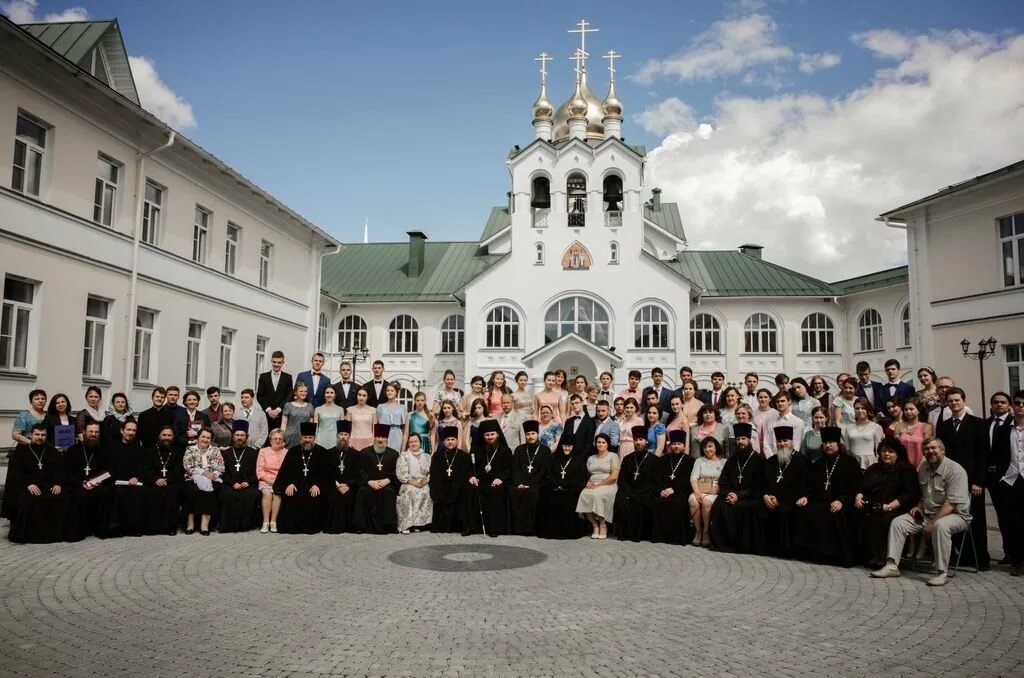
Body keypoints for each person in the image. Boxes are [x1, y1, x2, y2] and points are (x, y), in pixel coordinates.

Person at [871, 438, 972, 586]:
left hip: (956, 515)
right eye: (926, 449)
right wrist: (919, 505)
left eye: (933, 448)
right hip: (928, 513)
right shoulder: (924, 467)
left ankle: (941, 573)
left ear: (942, 450)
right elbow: (924, 494)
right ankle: (892, 565)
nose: (930, 452)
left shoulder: (955, 470)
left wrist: (931, 523)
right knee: (898, 522)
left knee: (940, 526)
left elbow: (950, 505)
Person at [936, 387, 989, 570]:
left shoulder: (978, 424)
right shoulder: (943, 425)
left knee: (976, 520)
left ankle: (981, 559)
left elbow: (983, 455)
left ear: (964, 401)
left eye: (957, 400)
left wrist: (979, 481)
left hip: (973, 481)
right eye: (951, 401)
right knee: (953, 517)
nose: (954, 403)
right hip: (951, 480)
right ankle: (960, 556)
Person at [792, 426, 861, 566]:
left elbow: (856, 488)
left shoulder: (850, 463)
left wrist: (842, 500)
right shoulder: (818, 464)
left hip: (842, 502)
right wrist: (806, 497)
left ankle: (835, 556)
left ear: (838, 444)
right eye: (825, 443)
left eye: (831, 443)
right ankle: (814, 554)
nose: (828, 445)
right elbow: (810, 486)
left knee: (833, 513)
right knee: (805, 509)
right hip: (820, 501)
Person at [856, 437, 921, 568]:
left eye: (891, 452)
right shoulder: (874, 468)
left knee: (884, 519)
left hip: (897, 507)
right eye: (884, 451)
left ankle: (884, 556)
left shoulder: (907, 469)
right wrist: (858, 496)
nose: (886, 454)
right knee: (858, 514)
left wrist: (889, 507)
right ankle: (866, 554)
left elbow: (908, 494)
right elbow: (862, 486)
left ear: (898, 453)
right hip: (874, 505)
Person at [6, 422, 68, 543]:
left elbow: (60, 470)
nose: (40, 437)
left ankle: (55, 535)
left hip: (49, 486)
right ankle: (31, 535)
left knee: (62, 498)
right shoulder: (21, 451)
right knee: (28, 500)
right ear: (31, 435)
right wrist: (28, 484)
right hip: (28, 487)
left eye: (43, 435)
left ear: (46, 436)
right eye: (37, 434)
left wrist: (58, 483)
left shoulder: (52, 451)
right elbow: (16, 473)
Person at [709, 423, 766, 553]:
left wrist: (739, 495)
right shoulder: (732, 459)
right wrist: (729, 493)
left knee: (744, 507)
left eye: (743, 439)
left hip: (750, 496)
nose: (740, 442)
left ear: (749, 440)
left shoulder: (759, 460)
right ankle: (723, 544)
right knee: (719, 505)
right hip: (732, 494)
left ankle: (743, 546)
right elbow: (724, 481)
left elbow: (759, 486)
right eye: (738, 439)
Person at [990, 391, 1024, 574]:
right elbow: (997, 456)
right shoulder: (1003, 431)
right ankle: (1017, 561)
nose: (1021, 407)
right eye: (1018, 403)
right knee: (1013, 522)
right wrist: (1001, 477)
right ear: (1013, 405)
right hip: (1010, 480)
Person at [760, 426, 808, 557]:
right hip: (769, 500)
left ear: (792, 442)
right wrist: (765, 495)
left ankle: (785, 550)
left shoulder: (801, 461)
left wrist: (780, 499)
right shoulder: (770, 462)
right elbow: (763, 483)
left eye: (785, 440)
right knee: (757, 508)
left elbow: (801, 488)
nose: (782, 444)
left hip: (790, 501)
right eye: (779, 441)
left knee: (783, 511)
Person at [274, 422, 328, 534]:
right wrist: (290, 483)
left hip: (314, 486)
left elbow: (326, 472)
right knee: (291, 495)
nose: (307, 440)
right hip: (296, 484)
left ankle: (312, 527)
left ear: (314, 438)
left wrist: (318, 484)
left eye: (310, 437)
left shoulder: (322, 452)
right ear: (301, 437)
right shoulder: (293, 451)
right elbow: (285, 471)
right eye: (305, 437)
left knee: (314, 496)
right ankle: (293, 528)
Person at [462, 419, 512, 536]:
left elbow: (510, 468)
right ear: (482, 436)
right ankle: (470, 527)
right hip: (479, 480)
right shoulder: (476, 449)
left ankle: (494, 528)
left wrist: (501, 478)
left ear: (498, 434)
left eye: (492, 434)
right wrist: (471, 476)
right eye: (487, 435)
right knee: (469, 489)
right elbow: (469, 466)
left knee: (497, 491)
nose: (490, 437)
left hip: (496, 481)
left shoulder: (505, 450)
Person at [64, 421, 112, 541]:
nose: (93, 434)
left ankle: (100, 530)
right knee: (78, 494)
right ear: (84, 432)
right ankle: (79, 531)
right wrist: (82, 483)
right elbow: (68, 472)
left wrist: (97, 481)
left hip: (97, 484)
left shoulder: (104, 450)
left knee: (104, 492)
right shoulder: (73, 450)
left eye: (96, 432)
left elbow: (109, 471)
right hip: (78, 485)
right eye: (91, 431)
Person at [536, 433, 588, 539]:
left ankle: (568, 531)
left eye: (569, 446)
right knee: (548, 494)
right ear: (561, 445)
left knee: (569, 497)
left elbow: (581, 478)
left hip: (571, 490)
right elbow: (548, 475)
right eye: (564, 445)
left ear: (573, 446)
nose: (567, 448)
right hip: (554, 488)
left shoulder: (578, 460)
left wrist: (566, 485)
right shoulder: (553, 458)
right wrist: (557, 485)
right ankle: (550, 530)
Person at [353, 423, 400, 534]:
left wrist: (387, 480)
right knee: (362, 492)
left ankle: (388, 526)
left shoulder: (394, 454)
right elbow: (360, 470)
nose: (380, 440)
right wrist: (369, 482)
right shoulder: (364, 453)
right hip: (369, 484)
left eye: (383, 437)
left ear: (387, 439)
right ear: (374, 438)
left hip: (387, 484)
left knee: (389, 492)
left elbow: (397, 471)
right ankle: (361, 526)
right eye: (378, 437)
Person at [650, 430, 695, 545]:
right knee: (656, 502)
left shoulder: (690, 461)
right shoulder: (663, 459)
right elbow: (657, 478)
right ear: (670, 445)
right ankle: (659, 536)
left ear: (684, 446)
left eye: (679, 444)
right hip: (664, 491)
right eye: (674, 444)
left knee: (678, 503)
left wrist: (673, 489)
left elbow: (688, 480)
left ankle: (676, 538)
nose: (676, 446)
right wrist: (662, 489)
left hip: (681, 491)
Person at [614, 426, 658, 542]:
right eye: (636, 440)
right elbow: (621, 479)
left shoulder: (654, 460)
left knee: (639, 501)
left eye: (641, 440)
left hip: (645, 491)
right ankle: (624, 534)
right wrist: (628, 491)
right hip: (628, 490)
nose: (638, 442)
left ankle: (638, 535)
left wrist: (638, 492)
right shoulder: (627, 459)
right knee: (621, 500)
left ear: (646, 441)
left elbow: (654, 481)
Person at [106, 420, 149, 537]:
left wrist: (137, 477)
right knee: (117, 492)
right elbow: (109, 468)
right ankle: (117, 527)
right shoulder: (112, 448)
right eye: (128, 430)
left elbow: (144, 468)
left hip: (135, 482)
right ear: (122, 430)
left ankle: (135, 528)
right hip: (117, 482)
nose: (131, 432)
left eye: (134, 430)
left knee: (138, 492)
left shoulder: (139, 449)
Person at [509, 420, 551, 535]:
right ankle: (517, 529)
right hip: (520, 483)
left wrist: (531, 483)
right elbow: (515, 469)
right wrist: (519, 483)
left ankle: (531, 529)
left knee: (532, 493)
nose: (530, 436)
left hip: (537, 484)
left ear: (537, 434)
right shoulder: (519, 450)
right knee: (514, 492)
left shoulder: (545, 450)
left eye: (533, 433)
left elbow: (544, 471)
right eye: (528, 434)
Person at [218, 421, 261, 533]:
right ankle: (228, 526)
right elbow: (222, 472)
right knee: (227, 495)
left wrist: (249, 482)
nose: (239, 438)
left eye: (242, 435)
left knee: (250, 495)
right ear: (233, 437)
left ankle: (245, 526)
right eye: (237, 435)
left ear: (246, 437)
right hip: (229, 483)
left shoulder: (254, 453)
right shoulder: (225, 453)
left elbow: (258, 471)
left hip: (248, 483)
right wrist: (233, 483)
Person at [576, 433, 619, 539]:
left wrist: (599, 485)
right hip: (593, 483)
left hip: (608, 484)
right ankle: (595, 525)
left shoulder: (613, 456)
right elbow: (588, 474)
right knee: (584, 495)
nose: (600, 444)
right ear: (595, 444)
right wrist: (587, 483)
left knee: (597, 495)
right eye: (598, 442)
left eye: (603, 442)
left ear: (608, 444)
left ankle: (603, 525)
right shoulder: (591, 458)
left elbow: (614, 476)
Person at [182, 428, 224, 536]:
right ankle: (190, 523)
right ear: (198, 437)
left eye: (208, 438)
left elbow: (221, 467)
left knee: (209, 491)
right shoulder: (190, 449)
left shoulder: (215, 450)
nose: (205, 439)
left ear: (211, 439)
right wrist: (203, 473)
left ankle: (204, 524)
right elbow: (187, 465)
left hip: (212, 478)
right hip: (193, 477)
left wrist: (213, 475)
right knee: (191, 491)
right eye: (203, 436)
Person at [429, 426, 470, 533]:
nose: (450, 442)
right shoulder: (437, 456)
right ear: (443, 441)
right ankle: (441, 526)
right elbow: (434, 475)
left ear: (457, 441)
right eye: (448, 440)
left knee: (458, 491)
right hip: (442, 486)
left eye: (452, 439)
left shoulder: (464, 456)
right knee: (441, 492)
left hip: (458, 487)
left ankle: (457, 526)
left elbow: (465, 474)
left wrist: (455, 484)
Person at [145, 425, 185, 536]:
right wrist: (155, 479)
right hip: (155, 481)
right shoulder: (151, 450)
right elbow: (147, 469)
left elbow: (179, 470)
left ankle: (170, 526)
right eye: (164, 435)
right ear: (159, 436)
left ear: (173, 437)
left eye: (169, 435)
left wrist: (167, 479)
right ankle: (153, 526)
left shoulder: (179, 451)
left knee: (172, 493)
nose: (166, 437)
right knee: (152, 492)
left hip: (173, 481)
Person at [324, 420, 363, 534]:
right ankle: (334, 527)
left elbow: (359, 475)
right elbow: (326, 474)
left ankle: (350, 526)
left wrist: (348, 485)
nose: (343, 437)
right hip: (333, 486)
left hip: (349, 486)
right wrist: (337, 485)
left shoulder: (356, 454)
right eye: (341, 434)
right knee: (334, 496)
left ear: (349, 437)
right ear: (337, 436)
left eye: (345, 435)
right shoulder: (329, 453)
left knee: (349, 495)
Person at [689, 437, 726, 547]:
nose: (707, 449)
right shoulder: (699, 461)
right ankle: (698, 531)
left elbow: (725, 480)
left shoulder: (723, 462)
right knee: (693, 501)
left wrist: (719, 489)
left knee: (706, 502)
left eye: (710, 446)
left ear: (716, 447)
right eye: (705, 447)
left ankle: (706, 531)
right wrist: (697, 492)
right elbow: (693, 478)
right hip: (699, 490)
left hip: (714, 492)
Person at [395, 433, 432, 533]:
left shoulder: (427, 456)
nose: (413, 443)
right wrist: (413, 482)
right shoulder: (404, 456)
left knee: (426, 490)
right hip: (408, 482)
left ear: (420, 442)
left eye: (415, 441)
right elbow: (401, 473)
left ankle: (417, 523)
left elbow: (430, 472)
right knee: (409, 491)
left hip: (423, 483)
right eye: (411, 442)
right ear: (408, 444)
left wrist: (425, 481)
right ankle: (406, 525)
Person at [256, 429, 288, 533]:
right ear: (270, 440)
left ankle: (273, 522)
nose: (277, 441)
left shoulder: (286, 452)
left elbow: (288, 470)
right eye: (275, 438)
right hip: (266, 479)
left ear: (283, 441)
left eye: (280, 439)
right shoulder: (263, 451)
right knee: (267, 494)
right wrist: (270, 481)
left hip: (281, 481)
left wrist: (278, 482)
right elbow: (259, 470)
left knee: (277, 495)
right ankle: (265, 522)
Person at [842, 398, 885, 470]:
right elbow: (847, 449)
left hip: (871, 463)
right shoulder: (848, 428)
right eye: (857, 408)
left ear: (868, 410)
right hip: (853, 463)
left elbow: (879, 450)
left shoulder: (876, 427)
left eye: (863, 408)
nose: (860, 411)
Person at [256, 350, 293, 430]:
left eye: (279, 362)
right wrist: (269, 410)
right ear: (271, 361)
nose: (276, 364)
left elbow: (289, 396)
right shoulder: (263, 377)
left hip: (282, 415)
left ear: (283, 362)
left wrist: (278, 410)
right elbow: (260, 395)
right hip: (266, 415)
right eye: (274, 362)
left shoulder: (288, 378)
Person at [762, 391, 806, 458]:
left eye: (783, 401)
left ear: (789, 402)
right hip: (773, 460)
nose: (780, 403)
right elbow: (766, 444)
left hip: (792, 460)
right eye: (778, 401)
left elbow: (797, 445)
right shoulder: (771, 422)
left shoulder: (798, 422)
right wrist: (772, 459)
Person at [893, 398, 931, 468]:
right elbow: (895, 449)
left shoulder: (926, 427)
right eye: (906, 409)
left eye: (911, 409)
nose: (908, 412)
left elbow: (927, 449)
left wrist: (920, 467)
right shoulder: (898, 426)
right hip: (901, 466)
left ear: (918, 410)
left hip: (921, 465)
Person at [281, 383, 313, 448]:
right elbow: (283, 424)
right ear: (295, 392)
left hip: (304, 439)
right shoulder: (288, 405)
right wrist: (282, 439)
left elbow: (311, 425)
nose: (304, 393)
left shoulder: (310, 406)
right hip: (289, 438)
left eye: (305, 391)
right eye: (301, 391)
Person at [313, 385, 345, 451]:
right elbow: (315, 427)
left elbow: (342, 429)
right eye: (327, 393)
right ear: (324, 394)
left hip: (335, 440)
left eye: (331, 393)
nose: (329, 395)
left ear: (335, 395)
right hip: (321, 439)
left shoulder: (340, 409)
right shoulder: (318, 409)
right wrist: (315, 439)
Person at [347, 388, 377, 452]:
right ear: (356, 396)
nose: (361, 397)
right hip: (353, 442)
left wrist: (373, 442)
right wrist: (349, 442)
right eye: (359, 395)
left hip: (369, 442)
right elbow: (347, 429)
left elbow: (375, 429)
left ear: (367, 397)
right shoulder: (350, 410)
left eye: (364, 395)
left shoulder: (373, 410)